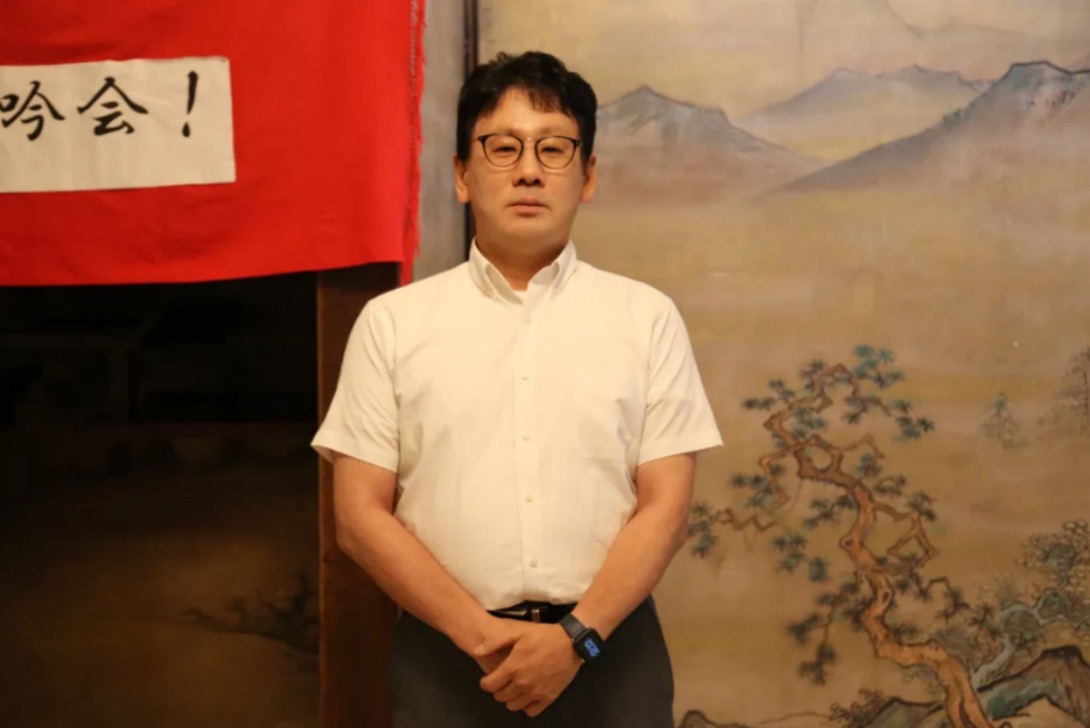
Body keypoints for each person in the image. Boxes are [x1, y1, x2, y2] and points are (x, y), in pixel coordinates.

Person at [311, 50, 722, 728]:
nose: (529, 170)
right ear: (461, 174)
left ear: (588, 176)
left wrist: (576, 641)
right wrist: (482, 638)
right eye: (502, 148)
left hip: (609, 650)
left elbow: (666, 508)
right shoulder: (393, 324)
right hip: (446, 656)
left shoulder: (646, 318)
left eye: (554, 149)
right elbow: (358, 517)